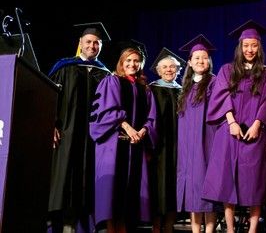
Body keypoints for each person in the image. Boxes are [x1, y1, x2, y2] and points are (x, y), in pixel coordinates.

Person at [202, 20, 266, 233]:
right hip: (229, 132)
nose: (249, 49)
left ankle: (252, 229)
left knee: (255, 182)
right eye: (246, 45)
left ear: (259, 47)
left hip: (255, 133)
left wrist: (257, 125)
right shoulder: (227, 70)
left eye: (253, 45)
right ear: (240, 47)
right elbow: (221, 96)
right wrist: (232, 122)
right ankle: (230, 229)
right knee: (227, 181)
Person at [47, 22, 111, 232]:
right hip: (67, 134)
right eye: (89, 42)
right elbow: (49, 98)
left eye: (96, 43)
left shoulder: (106, 74)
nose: (92, 46)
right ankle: (57, 224)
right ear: (80, 44)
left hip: (95, 139)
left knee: (89, 181)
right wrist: (50, 124)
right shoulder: (64, 68)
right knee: (63, 178)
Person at [89, 40, 157, 232]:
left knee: (130, 198)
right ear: (121, 62)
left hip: (136, 147)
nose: (132, 64)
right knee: (112, 195)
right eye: (128, 60)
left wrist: (144, 130)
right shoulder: (111, 81)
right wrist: (128, 127)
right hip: (114, 146)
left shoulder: (145, 89)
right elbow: (105, 111)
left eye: (136, 61)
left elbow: (152, 117)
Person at [176, 34, 218, 233]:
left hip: (207, 143)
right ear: (190, 63)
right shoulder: (185, 88)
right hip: (187, 147)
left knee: (206, 188)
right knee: (192, 189)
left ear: (208, 61)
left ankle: (209, 230)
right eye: (197, 58)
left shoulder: (215, 83)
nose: (201, 61)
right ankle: (195, 230)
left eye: (204, 58)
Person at [148, 47, 186, 233]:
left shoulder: (183, 91)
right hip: (158, 147)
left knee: (174, 186)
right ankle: (156, 227)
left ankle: (170, 226)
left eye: (173, 67)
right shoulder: (151, 90)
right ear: (158, 70)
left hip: (179, 146)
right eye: (165, 67)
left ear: (179, 70)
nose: (169, 70)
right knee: (158, 186)